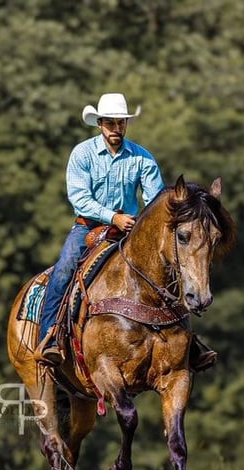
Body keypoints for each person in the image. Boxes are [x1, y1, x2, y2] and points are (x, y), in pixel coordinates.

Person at [34, 93, 216, 372]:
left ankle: (187, 344)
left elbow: (156, 200)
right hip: (89, 228)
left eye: (120, 123)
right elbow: (79, 198)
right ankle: (51, 338)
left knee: (170, 267)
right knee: (64, 270)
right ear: (99, 124)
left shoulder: (142, 158)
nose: (115, 129)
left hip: (131, 231)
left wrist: (149, 220)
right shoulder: (82, 154)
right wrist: (114, 217)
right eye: (110, 123)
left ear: (125, 124)